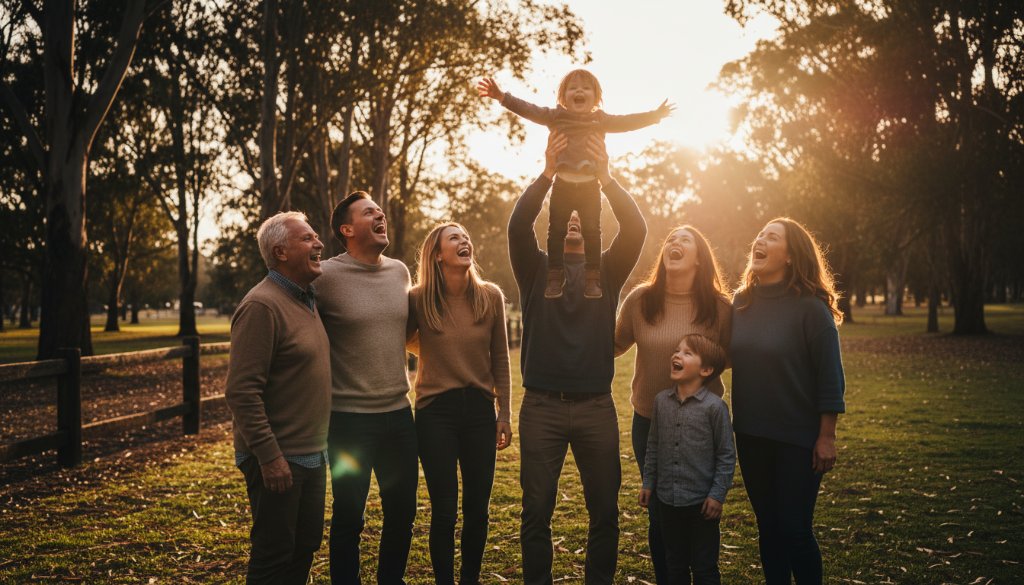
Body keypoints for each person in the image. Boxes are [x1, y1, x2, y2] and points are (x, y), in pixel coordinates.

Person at [510, 131, 646, 585]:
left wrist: (605, 180)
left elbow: (637, 229)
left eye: (578, 216)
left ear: (590, 225)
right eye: (562, 214)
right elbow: (517, 226)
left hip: (596, 408)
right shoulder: (535, 270)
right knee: (535, 515)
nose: (571, 218)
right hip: (541, 409)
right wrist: (548, 175)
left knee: (605, 512)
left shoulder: (605, 272)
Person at [479, 70, 672, 299]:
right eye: (573, 88)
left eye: (586, 88)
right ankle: (554, 277)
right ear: (563, 97)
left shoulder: (600, 120)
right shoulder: (555, 117)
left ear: (597, 98)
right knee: (556, 230)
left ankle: (592, 279)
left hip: (591, 186)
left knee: (592, 230)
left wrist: (654, 116)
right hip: (562, 184)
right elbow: (529, 110)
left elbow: (626, 122)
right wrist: (502, 97)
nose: (579, 91)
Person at [730, 218, 847, 584]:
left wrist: (826, 435)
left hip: (798, 437)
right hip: (750, 433)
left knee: (794, 528)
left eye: (772, 236)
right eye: (760, 233)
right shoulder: (741, 301)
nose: (760, 239)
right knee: (768, 527)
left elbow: (830, 376)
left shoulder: (811, 309)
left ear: (791, 256)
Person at [614, 225, 732, 583]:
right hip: (650, 421)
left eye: (685, 240)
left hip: (702, 426)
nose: (673, 243)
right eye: (670, 239)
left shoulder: (720, 308)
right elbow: (612, 345)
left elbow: (735, 356)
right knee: (660, 513)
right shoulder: (640, 300)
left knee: (701, 510)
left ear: (700, 258)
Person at [316, 192, 417, 585]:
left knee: (402, 513)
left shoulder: (400, 272)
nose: (379, 214)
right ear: (347, 229)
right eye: (368, 212)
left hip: (398, 416)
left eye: (379, 210)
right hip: (348, 423)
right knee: (348, 517)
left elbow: (406, 333)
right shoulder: (324, 276)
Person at [225, 211, 331, 584]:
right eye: (308, 238)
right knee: (273, 556)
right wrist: (270, 458)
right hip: (279, 459)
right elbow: (241, 391)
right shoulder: (262, 306)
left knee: (303, 549)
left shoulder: (307, 299)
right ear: (280, 251)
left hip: (312, 455)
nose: (318, 244)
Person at [406, 222, 513, 585]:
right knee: (445, 510)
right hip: (435, 413)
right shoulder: (417, 298)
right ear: (437, 254)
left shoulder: (490, 296)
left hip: (480, 412)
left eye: (466, 236)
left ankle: (470, 579)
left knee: (477, 510)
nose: (464, 240)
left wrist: (505, 413)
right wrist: (436, 354)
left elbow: (500, 357)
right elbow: (401, 339)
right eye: (454, 238)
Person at [638, 334, 735, 585]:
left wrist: (717, 495)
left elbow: (726, 455)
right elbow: (653, 445)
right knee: (675, 567)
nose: (677, 355)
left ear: (706, 369)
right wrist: (649, 483)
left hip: (701, 506)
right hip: (668, 502)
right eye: (677, 350)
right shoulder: (661, 402)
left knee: (704, 569)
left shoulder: (715, 408)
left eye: (687, 353)